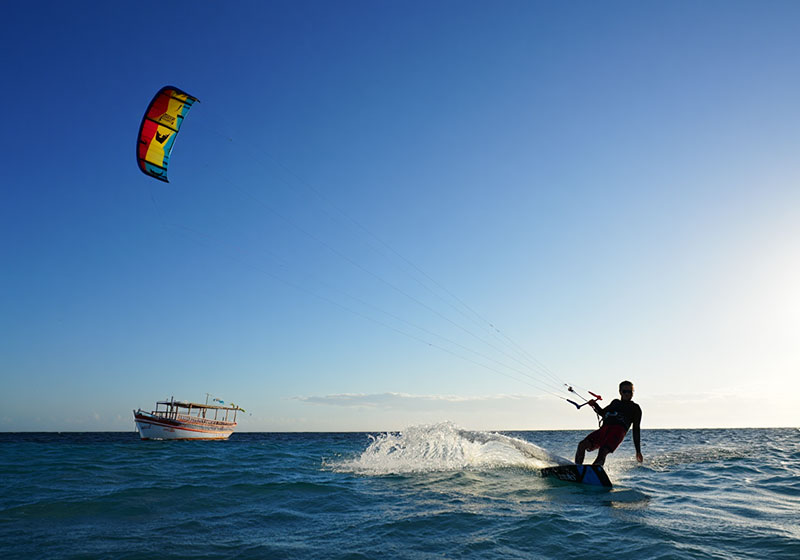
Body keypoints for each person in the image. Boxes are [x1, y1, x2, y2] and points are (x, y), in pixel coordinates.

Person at [575, 380, 643, 466]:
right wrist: (594, 405)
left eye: (630, 392)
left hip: (617, 433)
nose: (627, 394)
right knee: (582, 445)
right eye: (624, 391)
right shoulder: (615, 403)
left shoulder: (635, 408)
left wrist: (638, 451)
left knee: (603, 451)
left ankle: (593, 472)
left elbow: (636, 430)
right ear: (620, 392)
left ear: (633, 393)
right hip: (604, 430)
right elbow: (603, 413)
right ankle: (577, 468)